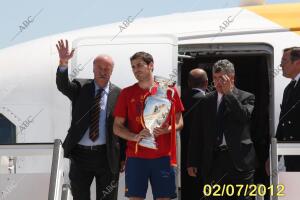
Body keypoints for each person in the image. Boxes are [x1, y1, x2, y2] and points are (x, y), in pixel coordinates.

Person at [55, 39, 125, 200]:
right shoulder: (80, 87)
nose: (103, 71)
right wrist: (63, 62)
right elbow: (62, 85)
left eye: (107, 68)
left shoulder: (120, 95)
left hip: (107, 157)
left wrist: (122, 157)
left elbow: (123, 127)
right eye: (100, 67)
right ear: (93, 68)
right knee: (80, 197)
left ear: (112, 71)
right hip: (80, 156)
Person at [113, 51, 184, 200]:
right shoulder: (127, 93)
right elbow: (117, 127)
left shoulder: (169, 92)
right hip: (136, 157)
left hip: (163, 157)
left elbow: (180, 122)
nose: (136, 70)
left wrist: (167, 129)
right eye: (133, 67)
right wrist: (135, 136)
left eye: (139, 65)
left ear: (151, 65)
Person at [187, 59, 256, 200]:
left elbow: (243, 117)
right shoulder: (206, 100)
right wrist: (192, 161)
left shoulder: (246, 97)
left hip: (240, 163)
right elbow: (197, 133)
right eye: (215, 78)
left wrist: (229, 94)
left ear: (232, 78)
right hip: (214, 163)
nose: (218, 82)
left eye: (222, 78)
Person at [269, 47, 300, 172]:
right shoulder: (289, 88)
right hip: (292, 157)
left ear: (297, 63)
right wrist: (275, 155)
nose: (280, 65)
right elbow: (283, 123)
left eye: (284, 61)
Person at [180, 68, 208, 200]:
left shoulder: (179, 100)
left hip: (181, 151)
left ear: (188, 83)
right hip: (203, 155)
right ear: (206, 83)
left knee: (186, 189)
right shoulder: (209, 100)